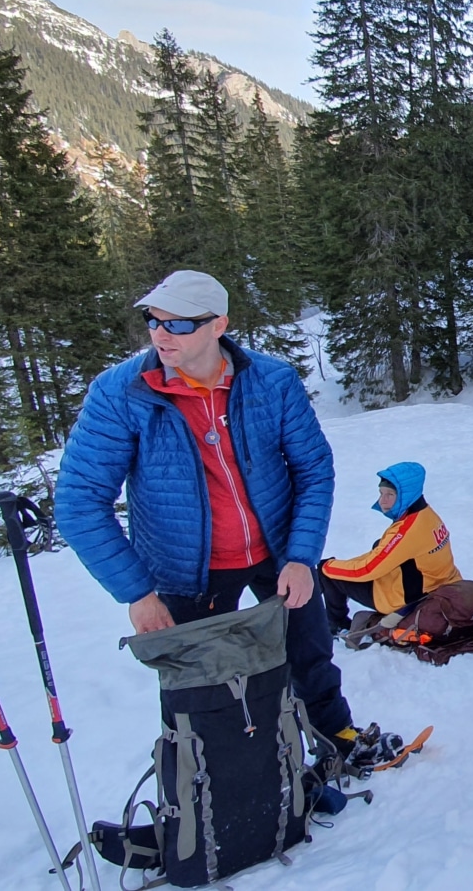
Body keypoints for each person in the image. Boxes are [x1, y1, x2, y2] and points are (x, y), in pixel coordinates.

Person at [57, 270, 396, 767]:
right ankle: (227, 785)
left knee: (309, 654)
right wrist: (137, 593)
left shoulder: (271, 380)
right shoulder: (119, 394)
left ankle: (337, 738)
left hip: (277, 552)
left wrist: (301, 556)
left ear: (219, 325)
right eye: (153, 321)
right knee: (200, 688)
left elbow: (312, 469)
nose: (159, 334)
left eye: (178, 325)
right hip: (186, 571)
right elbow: (80, 501)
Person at [320, 462, 473, 664]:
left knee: (327, 575)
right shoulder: (427, 516)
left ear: (405, 494)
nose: (382, 501)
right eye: (381, 493)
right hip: (437, 586)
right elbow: (383, 554)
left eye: (389, 495)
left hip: (410, 599)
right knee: (378, 547)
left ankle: (337, 626)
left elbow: (367, 569)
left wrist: (327, 566)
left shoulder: (407, 531)